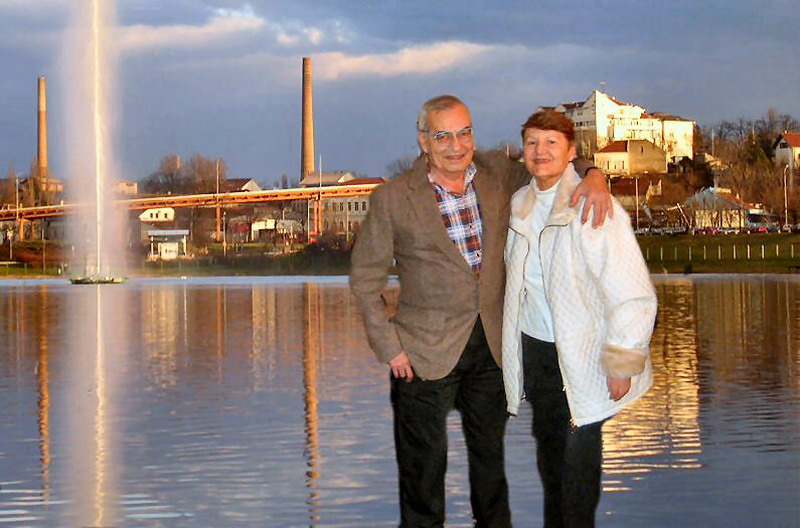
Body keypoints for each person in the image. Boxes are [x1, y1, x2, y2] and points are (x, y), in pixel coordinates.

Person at [350, 95, 610, 528]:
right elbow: (365, 279)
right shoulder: (393, 198)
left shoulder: (497, 174)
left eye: (464, 133)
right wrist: (390, 348)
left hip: (492, 350)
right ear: (424, 141)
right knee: (422, 480)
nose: (457, 146)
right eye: (443, 136)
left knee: (491, 476)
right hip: (421, 354)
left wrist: (595, 175)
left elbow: (554, 166)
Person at [501, 109, 657, 527]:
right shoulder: (518, 205)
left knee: (578, 468)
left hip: (584, 356)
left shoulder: (593, 205)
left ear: (571, 151)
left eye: (551, 142)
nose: (540, 151)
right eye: (532, 142)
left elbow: (632, 291)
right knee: (551, 465)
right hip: (537, 354)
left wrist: (623, 360)